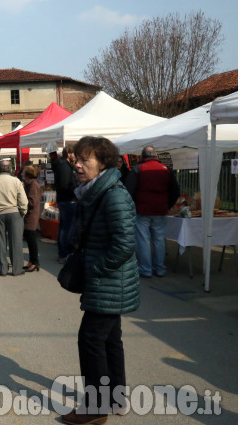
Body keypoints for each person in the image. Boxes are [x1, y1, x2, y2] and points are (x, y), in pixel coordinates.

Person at [61, 136, 140, 425]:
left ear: (103, 162)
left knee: (91, 339)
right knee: (109, 340)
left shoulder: (113, 194)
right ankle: (116, 398)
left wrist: (96, 269)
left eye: (85, 160)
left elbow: (125, 243)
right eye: (77, 159)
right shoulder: (96, 191)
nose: (78, 164)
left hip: (108, 280)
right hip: (108, 280)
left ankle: (95, 407)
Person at [124, 146, 180, 278]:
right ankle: (159, 268)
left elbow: (128, 191)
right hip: (160, 210)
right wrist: (168, 205)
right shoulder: (166, 170)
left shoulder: (138, 169)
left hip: (142, 209)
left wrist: (134, 205)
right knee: (159, 239)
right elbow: (175, 190)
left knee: (143, 239)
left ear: (143, 156)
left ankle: (146, 269)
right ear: (156, 156)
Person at [0, 159, 28, 276]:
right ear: (10, 169)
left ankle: (2, 269)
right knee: (16, 242)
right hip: (14, 213)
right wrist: (22, 212)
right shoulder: (16, 181)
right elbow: (23, 200)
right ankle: (17, 269)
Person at [53, 145, 78, 264]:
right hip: (68, 200)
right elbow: (65, 185)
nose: (76, 156)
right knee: (67, 229)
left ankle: (63, 253)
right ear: (69, 153)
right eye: (74, 154)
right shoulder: (64, 166)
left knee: (64, 228)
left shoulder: (63, 165)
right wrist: (75, 191)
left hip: (65, 199)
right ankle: (64, 253)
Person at [21, 165, 42, 272]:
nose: (22, 174)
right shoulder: (30, 184)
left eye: (24, 172)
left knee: (31, 240)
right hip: (30, 216)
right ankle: (32, 261)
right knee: (30, 240)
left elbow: (32, 202)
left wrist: (21, 201)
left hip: (31, 216)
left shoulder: (33, 184)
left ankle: (34, 262)